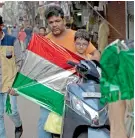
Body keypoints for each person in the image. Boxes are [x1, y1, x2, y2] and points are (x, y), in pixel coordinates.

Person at [37, 6, 101, 138]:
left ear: (64, 20)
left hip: (76, 91)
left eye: (57, 21)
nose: (54, 25)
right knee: (44, 124)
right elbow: (39, 66)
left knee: (75, 124)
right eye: (51, 22)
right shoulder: (46, 42)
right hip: (53, 90)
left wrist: (91, 67)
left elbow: (95, 54)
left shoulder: (76, 37)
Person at [0, 15, 23, 138]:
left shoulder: (12, 41)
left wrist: (17, 84)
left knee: (12, 111)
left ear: (1, 26)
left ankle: (18, 125)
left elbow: (20, 62)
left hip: (10, 84)